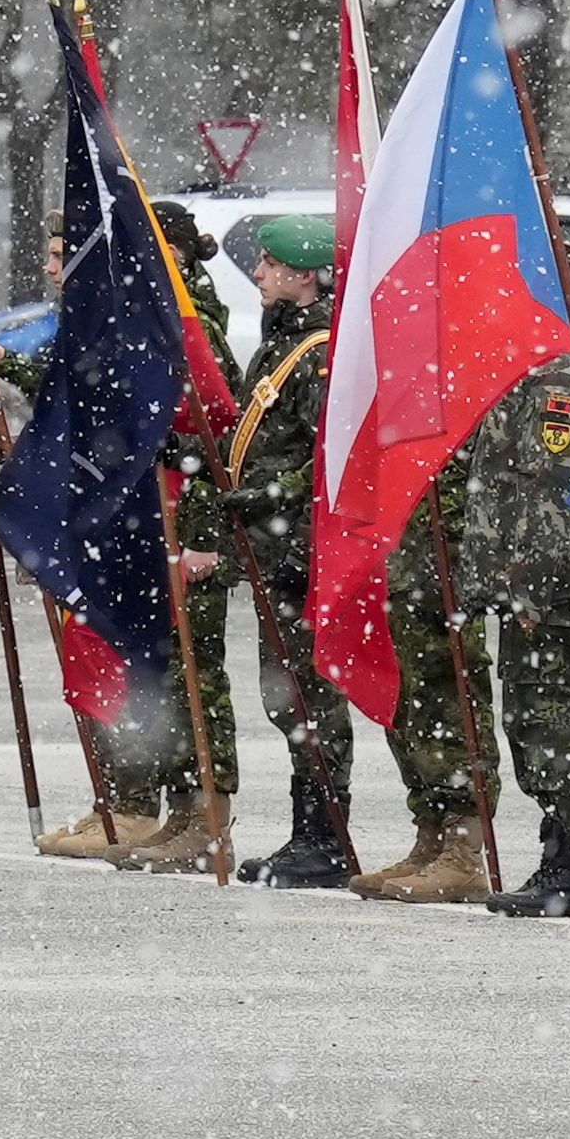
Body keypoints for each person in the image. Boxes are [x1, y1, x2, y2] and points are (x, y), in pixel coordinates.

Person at [355, 358, 570, 912]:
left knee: (549, 717)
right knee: (528, 714)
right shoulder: (517, 363)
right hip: (526, 581)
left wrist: (529, 584)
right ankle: (560, 862)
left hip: (550, 583)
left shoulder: (559, 376)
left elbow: (552, 484)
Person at [29, 197, 245, 870]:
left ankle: (200, 819)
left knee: (192, 681)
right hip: (145, 525)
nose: (59, 265)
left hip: (183, 529)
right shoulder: (131, 310)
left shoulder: (182, 317)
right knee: (159, 678)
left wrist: (202, 538)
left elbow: (211, 439)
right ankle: (154, 811)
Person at [210, 213, 355, 888]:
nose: (259, 274)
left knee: (308, 697)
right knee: (287, 696)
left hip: (301, 551)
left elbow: (328, 458)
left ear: (302, 274)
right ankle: (310, 831)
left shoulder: (320, 348)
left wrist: (269, 496)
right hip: (275, 549)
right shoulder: (283, 342)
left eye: (269, 264)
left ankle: (324, 837)